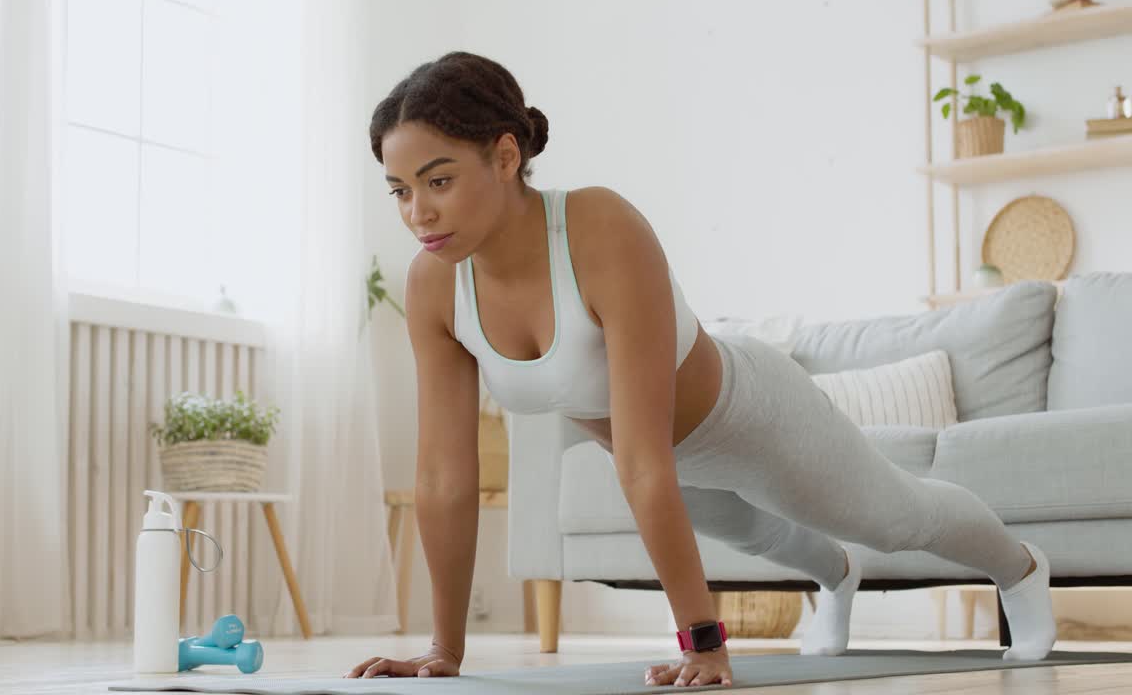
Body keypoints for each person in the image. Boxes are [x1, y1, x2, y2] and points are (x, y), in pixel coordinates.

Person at [344, 51, 1056, 689]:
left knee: (894, 518)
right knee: (761, 536)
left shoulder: (596, 228)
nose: (418, 213)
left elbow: (642, 460)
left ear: (505, 156)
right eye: (400, 190)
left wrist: (703, 644)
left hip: (752, 417)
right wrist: (444, 649)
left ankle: (1019, 567)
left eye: (439, 180)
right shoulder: (435, 285)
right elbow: (444, 478)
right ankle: (838, 576)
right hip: (669, 459)